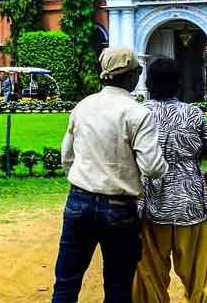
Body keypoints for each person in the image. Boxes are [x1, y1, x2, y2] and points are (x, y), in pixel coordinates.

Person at [52, 47, 168, 303]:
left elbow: (66, 155)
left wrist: (82, 180)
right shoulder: (138, 113)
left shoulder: (83, 106)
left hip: (79, 200)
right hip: (119, 207)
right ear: (130, 76)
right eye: (137, 71)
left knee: (66, 282)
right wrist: (165, 167)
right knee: (118, 286)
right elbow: (152, 167)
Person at [132, 58, 207, 303]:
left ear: (149, 83)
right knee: (203, 279)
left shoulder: (139, 114)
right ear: (178, 84)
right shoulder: (193, 113)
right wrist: (202, 180)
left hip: (151, 206)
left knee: (149, 278)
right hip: (192, 206)